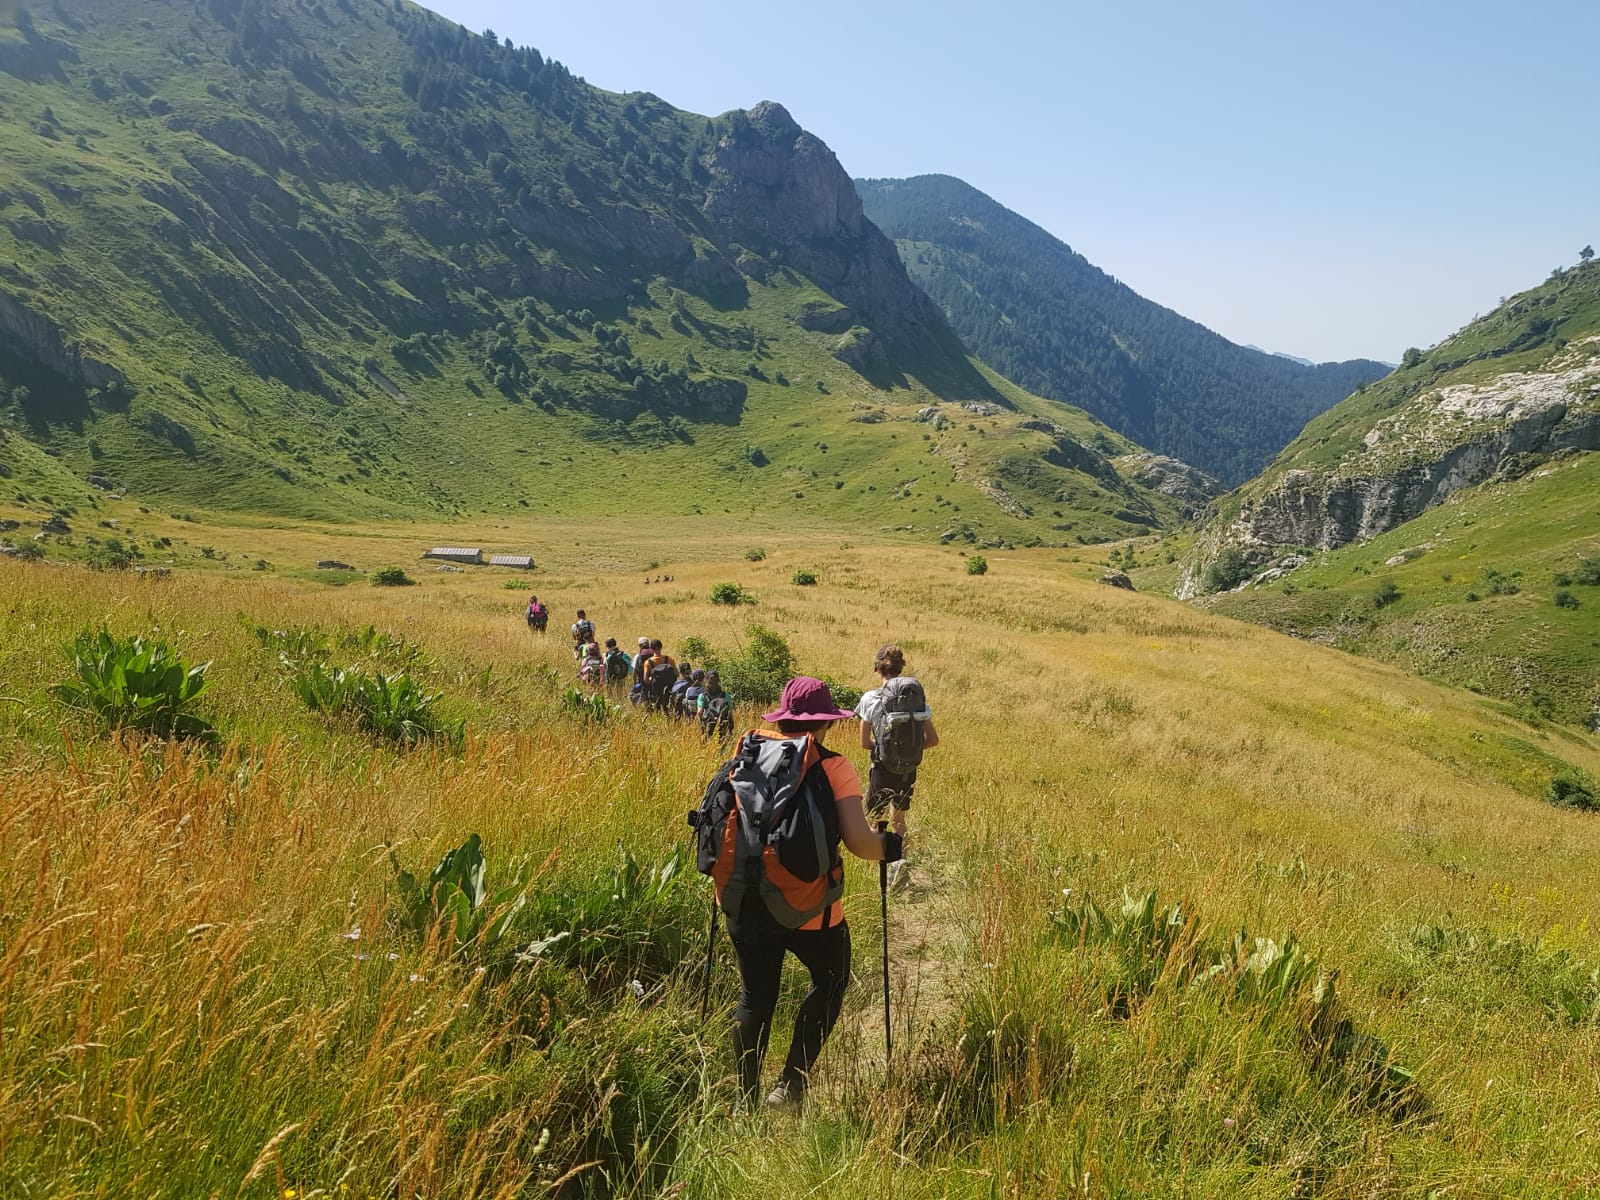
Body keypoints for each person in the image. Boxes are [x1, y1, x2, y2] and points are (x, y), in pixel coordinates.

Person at [715, 677, 901, 1110]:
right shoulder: (833, 766)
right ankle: (790, 1085)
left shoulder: (741, 759)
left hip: (743, 898)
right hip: (810, 909)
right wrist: (887, 846)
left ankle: (744, 1103)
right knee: (831, 981)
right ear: (825, 724)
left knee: (755, 998)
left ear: (783, 717)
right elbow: (859, 843)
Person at [856, 644, 937, 889]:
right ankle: (899, 862)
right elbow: (932, 740)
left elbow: (863, 743)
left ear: (877, 669)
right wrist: (906, 752)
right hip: (908, 769)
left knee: (876, 819)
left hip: (881, 768)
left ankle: (880, 869)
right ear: (901, 668)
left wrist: (883, 750)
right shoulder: (916, 700)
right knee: (899, 819)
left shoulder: (870, 698)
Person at [698, 670, 734, 742]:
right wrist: (730, 728)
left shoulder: (702, 696)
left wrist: (701, 726)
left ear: (706, 680)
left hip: (709, 725)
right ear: (718, 681)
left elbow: (699, 713)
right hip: (723, 726)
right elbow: (730, 713)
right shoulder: (726, 695)